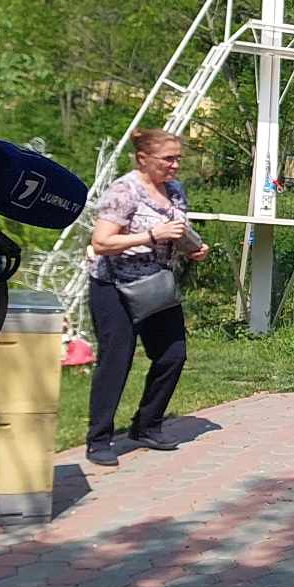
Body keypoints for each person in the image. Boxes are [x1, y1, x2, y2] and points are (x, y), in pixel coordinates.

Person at [84, 129, 210, 466]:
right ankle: (99, 439)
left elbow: (176, 231)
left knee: (172, 355)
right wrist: (151, 234)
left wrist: (192, 248)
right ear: (143, 159)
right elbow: (101, 242)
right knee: (116, 361)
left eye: (178, 159)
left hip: (156, 285)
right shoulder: (123, 191)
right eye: (168, 159)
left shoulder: (176, 190)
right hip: (114, 287)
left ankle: (147, 425)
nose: (175, 165)